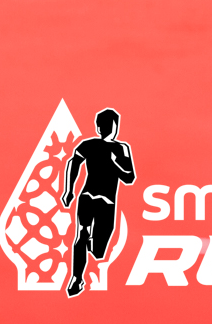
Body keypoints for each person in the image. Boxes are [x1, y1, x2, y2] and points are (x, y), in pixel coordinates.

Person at [61, 108, 135, 298]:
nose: (108, 128)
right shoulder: (89, 144)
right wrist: (68, 190)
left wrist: (113, 163)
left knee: (98, 250)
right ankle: (77, 277)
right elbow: (73, 163)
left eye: (111, 125)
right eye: (105, 125)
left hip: (107, 203)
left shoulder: (122, 148)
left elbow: (129, 177)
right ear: (98, 127)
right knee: (82, 233)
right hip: (88, 197)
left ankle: (90, 246)